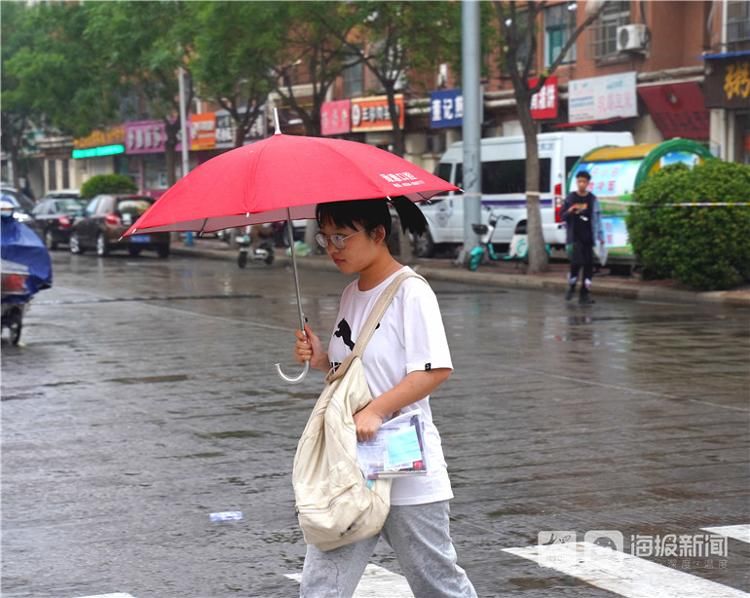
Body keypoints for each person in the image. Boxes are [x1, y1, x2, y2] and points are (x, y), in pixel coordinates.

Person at [293, 197, 477, 598]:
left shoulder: (412, 292)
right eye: (325, 238)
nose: (333, 248)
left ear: (378, 233)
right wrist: (323, 358)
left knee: (435, 582)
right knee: (321, 586)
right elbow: (356, 376)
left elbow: (434, 369)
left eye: (341, 236)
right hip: (351, 462)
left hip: (402, 458)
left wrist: (378, 409)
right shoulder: (349, 293)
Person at [563, 170, 604, 305]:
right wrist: (569, 210)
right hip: (575, 237)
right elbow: (563, 216)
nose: (581, 184)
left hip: (589, 237)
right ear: (576, 182)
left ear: (588, 183)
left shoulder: (592, 199)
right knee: (576, 263)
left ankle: (584, 294)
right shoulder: (570, 198)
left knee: (588, 265)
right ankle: (572, 287)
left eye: (584, 181)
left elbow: (597, 218)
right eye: (579, 181)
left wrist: (600, 235)